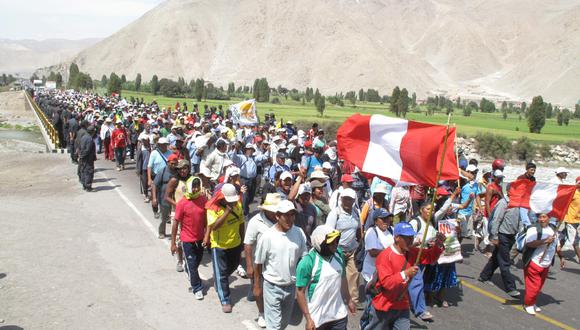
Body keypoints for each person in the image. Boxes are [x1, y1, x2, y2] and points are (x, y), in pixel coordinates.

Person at [366, 223, 445, 329]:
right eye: (407, 238)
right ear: (397, 238)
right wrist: (405, 274)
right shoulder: (385, 256)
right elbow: (387, 283)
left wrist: (438, 244)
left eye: (412, 237)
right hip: (384, 304)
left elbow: (430, 257)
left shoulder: (412, 252)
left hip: (402, 304)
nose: (411, 240)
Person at [253, 201, 308, 330]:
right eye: (286, 215)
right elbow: (258, 263)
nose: (290, 219)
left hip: (290, 287)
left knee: (283, 323)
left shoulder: (299, 232)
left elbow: (304, 258)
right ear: (277, 216)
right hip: (272, 287)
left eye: (292, 215)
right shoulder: (267, 237)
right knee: (274, 326)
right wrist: (256, 286)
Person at [295, 225, 356, 330]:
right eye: (331, 242)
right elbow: (300, 292)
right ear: (320, 243)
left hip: (338, 314)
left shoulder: (339, 254)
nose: (335, 245)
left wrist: (349, 300)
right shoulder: (307, 262)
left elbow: (343, 278)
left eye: (336, 241)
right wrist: (308, 319)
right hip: (317, 318)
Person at [204, 183, 245, 313]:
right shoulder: (212, 208)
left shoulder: (237, 204)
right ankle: (225, 299)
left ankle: (219, 279)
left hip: (235, 244)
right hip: (219, 246)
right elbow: (214, 226)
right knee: (221, 274)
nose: (233, 202)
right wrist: (227, 212)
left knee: (232, 267)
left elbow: (241, 223)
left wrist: (242, 241)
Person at [244, 193, 281, 328]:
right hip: (259, 262)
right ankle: (262, 313)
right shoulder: (256, 221)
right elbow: (248, 244)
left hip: (276, 262)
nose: (274, 212)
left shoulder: (281, 219)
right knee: (258, 289)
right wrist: (249, 265)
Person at [171, 176, 208, 300]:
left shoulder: (203, 200)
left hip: (200, 239)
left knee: (195, 264)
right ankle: (197, 288)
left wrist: (207, 236)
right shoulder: (182, 203)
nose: (196, 188)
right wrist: (173, 243)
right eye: (194, 186)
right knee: (192, 265)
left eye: (198, 185)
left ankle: (190, 271)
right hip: (187, 240)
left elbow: (207, 220)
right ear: (189, 187)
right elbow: (175, 223)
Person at [325, 188, 363, 309]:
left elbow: (358, 229)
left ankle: (353, 300)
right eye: (345, 199)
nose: (347, 202)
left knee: (353, 275)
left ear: (353, 201)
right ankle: (334, 298)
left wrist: (359, 242)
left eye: (350, 200)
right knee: (336, 275)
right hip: (337, 251)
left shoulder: (356, 212)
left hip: (352, 250)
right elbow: (328, 233)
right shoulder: (335, 213)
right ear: (341, 199)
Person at [478, 197, 523, 298]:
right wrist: (494, 236)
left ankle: (484, 276)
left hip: (511, 235)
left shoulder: (517, 203)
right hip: (502, 235)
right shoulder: (503, 203)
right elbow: (496, 219)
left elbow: (520, 218)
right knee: (505, 262)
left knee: (497, 258)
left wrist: (519, 232)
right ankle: (511, 288)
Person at [523, 213, 565, 315]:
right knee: (534, 286)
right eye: (540, 217)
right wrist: (545, 241)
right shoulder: (533, 229)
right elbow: (529, 243)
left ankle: (532, 302)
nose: (541, 219)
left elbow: (557, 246)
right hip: (534, 262)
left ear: (549, 218)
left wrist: (561, 257)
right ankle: (528, 304)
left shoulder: (553, 229)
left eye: (544, 217)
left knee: (539, 286)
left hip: (546, 264)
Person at [406, 202, 439, 322]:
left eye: (433, 209)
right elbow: (406, 240)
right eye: (428, 209)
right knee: (417, 282)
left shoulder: (431, 223)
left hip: (424, 257)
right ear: (421, 210)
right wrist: (416, 241)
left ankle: (408, 302)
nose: (431, 212)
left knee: (413, 282)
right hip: (413, 257)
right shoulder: (415, 222)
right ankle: (420, 310)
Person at [152, 154, 178, 239]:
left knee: (174, 217)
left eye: (175, 163)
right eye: (172, 163)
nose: (173, 165)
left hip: (175, 198)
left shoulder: (178, 172)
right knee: (164, 217)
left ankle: (173, 234)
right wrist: (154, 198)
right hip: (164, 198)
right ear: (168, 162)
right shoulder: (162, 171)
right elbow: (154, 185)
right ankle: (162, 232)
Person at [563, 177, 580, 262]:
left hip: (578, 221)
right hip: (570, 219)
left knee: (563, 235)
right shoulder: (572, 193)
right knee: (575, 240)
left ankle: (555, 249)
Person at [78, 125, 97, 192]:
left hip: (83, 157)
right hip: (88, 158)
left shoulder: (83, 137)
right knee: (89, 171)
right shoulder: (90, 139)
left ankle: (84, 185)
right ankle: (88, 186)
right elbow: (88, 150)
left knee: (83, 170)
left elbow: (80, 146)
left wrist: (80, 155)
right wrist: (83, 155)